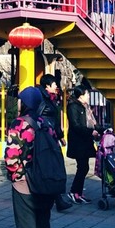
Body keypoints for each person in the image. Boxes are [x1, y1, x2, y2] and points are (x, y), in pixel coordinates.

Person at [5, 86, 57, 228]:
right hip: (45, 182)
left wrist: (16, 177)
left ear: (26, 103)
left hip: (24, 184)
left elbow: (11, 157)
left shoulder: (19, 124)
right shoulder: (46, 124)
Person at [38, 74, 72, 212]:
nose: (56, 86)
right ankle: (56, 199)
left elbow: (55, 119)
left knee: (54, 168)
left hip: (51, 137)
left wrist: (60, 135)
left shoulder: (50, 99)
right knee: (52, 168)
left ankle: (57, 199)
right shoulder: (43, 99)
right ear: (47, 86)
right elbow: (40, 119)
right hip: (46, 138)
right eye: (53, 84)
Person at [66, 84, 99, 203]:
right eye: (87, 94)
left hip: (85, 140)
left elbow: (92, 123)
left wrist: (100, 130)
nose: (89, 96)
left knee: (84, 167)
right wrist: (91, 132)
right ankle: (74, 192)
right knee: (83, 167)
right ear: (81, 95)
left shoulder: (85, 107)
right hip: (78, 141)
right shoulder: (73, 107)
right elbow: (76, 125)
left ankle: (77, 192)